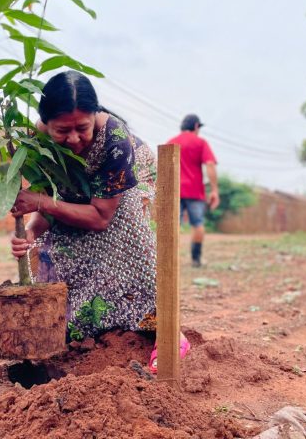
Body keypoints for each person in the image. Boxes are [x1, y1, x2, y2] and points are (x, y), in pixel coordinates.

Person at [10, 71, 189, 374]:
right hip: (75, 193)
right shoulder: (36, 142)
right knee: (60, 245)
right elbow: (52, 197)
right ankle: (84, 333)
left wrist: (40, 202)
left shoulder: (115, 140)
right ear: (45, 124)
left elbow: (100, 216)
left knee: (129, 234)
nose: (74, 139)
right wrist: (29, 232)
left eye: (83, 128)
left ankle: (166, 332)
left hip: (128, 184)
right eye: (62, 131)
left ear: (96, 115)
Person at [165, 114, 219, 267]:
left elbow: (163, 166)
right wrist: (214, 190)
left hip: (174, 190)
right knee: (198, 224)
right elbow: (210, 164)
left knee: (172, 225)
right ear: (196, 126)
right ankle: (196, 259)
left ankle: (169, 261)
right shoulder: (200, 142)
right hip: (195, 191)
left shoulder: (171, 142)